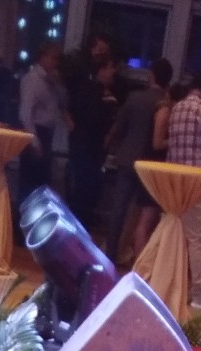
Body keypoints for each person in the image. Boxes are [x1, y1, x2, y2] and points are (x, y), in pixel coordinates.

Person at [164, 65, 201, 311]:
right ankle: (199, 293)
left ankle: (169, 285)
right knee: (198, 239)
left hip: (174, 182)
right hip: (197, 182)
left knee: (174, 235)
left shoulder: (177, 107)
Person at [103, 57, 170, 260]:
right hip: (150, 164)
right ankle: (140, 257)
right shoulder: (165, 104)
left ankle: (111, 252)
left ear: (151, 76)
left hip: (127, 157)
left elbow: (119, 126)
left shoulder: (134, 98)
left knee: (119, 208)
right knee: (146, 213)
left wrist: (111, 146)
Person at [65, 49, 117, 227]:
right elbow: (94, 120)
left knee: (83, 192)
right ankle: (78, 230)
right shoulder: (94, 93)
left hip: (83, 147)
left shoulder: (85, 90)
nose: (113, 71)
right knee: (85, 193)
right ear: (101, 70)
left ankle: (77, 228)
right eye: (110, 67)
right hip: (88, 149)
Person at [18, 41, 67, 205]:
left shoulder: (51, 80)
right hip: (35, 132)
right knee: (30, 180)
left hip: (46, 133)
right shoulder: (32, 80)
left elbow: (61, 102)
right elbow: (25, 113)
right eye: (52, 58)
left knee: (41, 181)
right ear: (42, 57)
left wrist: (58, 84)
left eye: (57, 59)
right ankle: (22, 214)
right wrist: (35, 141)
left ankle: (35, 214)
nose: (55, 63)